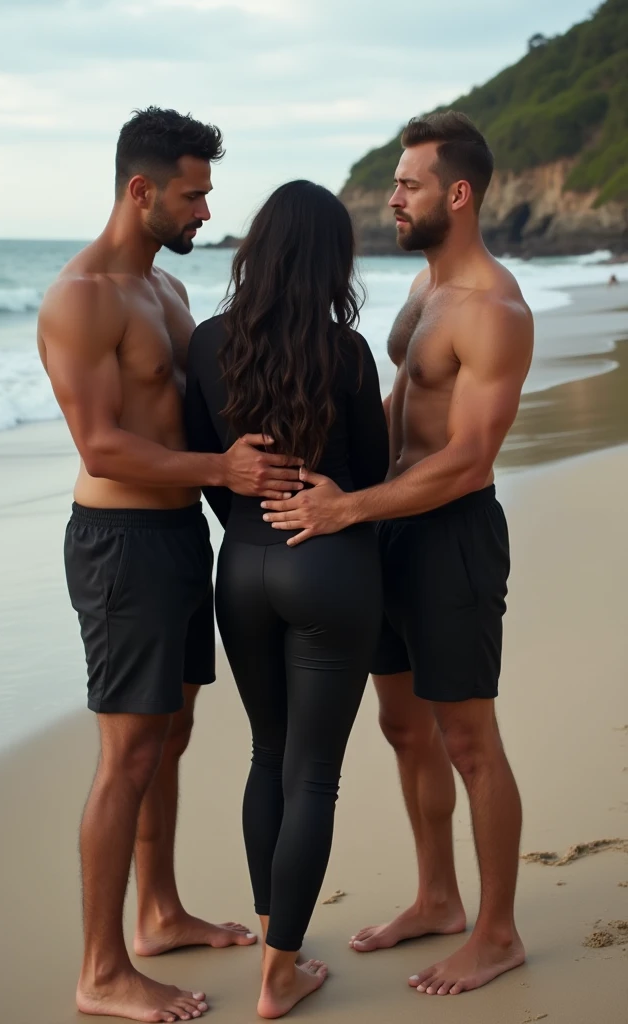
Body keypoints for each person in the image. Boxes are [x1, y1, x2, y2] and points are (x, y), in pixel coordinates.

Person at [37, 107, 305, 1024]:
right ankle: (101, 970)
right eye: (192, 195)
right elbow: (104, 446)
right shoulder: (82, 297)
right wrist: (220, 471)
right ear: (141, 190)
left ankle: (157, 912)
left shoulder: (167, 294)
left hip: (183, 537)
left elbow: (196, 416)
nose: (204, 211)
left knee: (173, 734)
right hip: (121, 549)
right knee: (128, 753)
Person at [261, 112, 534, 997]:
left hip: (451, 533)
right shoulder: (423, 295)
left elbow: (467, 457)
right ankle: (437, 898)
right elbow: (397, 410)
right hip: (388, 527)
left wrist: (353, 507)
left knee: (468, 736)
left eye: (408, 184)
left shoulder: (493, 306)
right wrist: (331, 479)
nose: (393, 198)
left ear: (457, 193)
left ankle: (497, 933)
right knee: (403, 726)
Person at [185, 180, 389, 1018]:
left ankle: (277, 936)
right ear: (331, 260)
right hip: (329, 564)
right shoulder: (347, 353)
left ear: (257, 250)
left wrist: (248, 520)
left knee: (268, 757)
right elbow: (372, 477)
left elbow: (206, 463)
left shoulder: (205, 343)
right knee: (315, 777)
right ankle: (281, 971)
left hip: (242, 565)